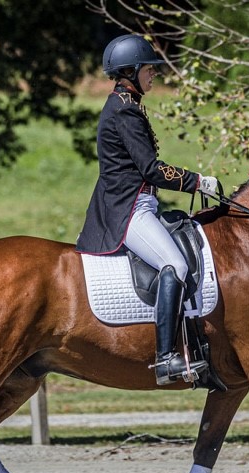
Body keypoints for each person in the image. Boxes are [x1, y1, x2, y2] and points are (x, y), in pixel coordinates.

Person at [76, 34, 218, 385]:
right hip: (128, 209)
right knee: (176, 264)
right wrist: (197, 181)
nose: (154, 74)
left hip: (138, 203)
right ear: (131, 71)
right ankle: (167, 357)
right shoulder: (124, 109)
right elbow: (151, 170)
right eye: (149, 69)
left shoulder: (127, 103)